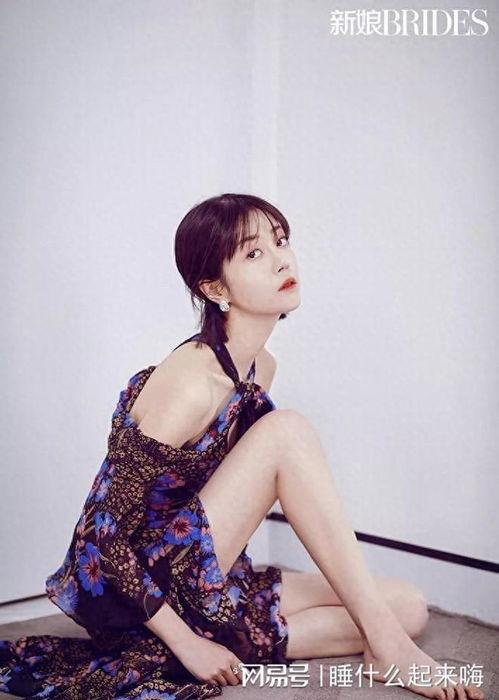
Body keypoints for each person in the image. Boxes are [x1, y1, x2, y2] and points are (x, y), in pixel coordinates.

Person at [0, 193, 484, 700]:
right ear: (214, 288)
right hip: (146, 595)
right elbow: (97, 538)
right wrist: (186, 644)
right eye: (254, 253)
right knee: (288, 431)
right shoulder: (191, 382)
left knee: (408, 606)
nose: (281, 260)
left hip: (209, 578)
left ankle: (268, 639)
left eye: (281, 242)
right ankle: (380, 647)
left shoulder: (260, 368)